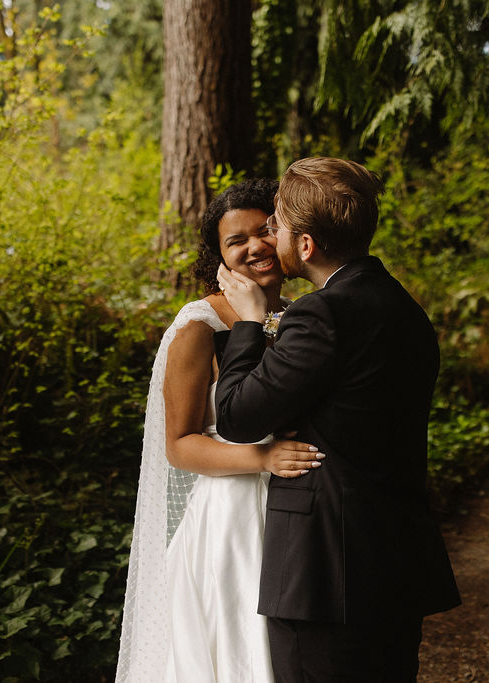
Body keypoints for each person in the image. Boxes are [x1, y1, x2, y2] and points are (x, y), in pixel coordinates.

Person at [215, 157, 461, 682]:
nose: (270, 237)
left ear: (306, 245)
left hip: (326, 572)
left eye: (276, 226)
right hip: (397, 558)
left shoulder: (320, 314)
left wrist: (251, 324)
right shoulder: (405, 309)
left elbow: (236, 416)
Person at [115, 178, 324, 683]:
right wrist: (262, 458)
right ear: (219, 259)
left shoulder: (299, 316)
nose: (254, 246)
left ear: (286, 235)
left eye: (263, 231)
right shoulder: (199, 327)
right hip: (231, 517)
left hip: (299, 505)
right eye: (236, 241)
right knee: (241, 647)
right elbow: (180, 446)